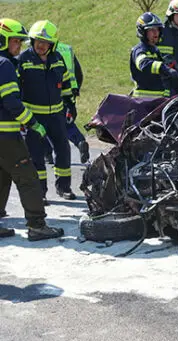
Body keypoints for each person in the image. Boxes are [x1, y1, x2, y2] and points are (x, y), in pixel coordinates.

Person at [0, 18, 64, 241]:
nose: (19, 46)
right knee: (28, 178)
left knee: (2, 176)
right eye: (15, 41)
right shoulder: (5, 65)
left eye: (20, 41)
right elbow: (11, 102)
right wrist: (33, 123)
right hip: (6, 135)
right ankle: (37, 225)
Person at [17, 20, 76, 201]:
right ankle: (40, 192)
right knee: (36, 155)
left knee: (63, 149)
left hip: (56, 115)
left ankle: (64, 188)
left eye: (45, 42)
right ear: (32, 41)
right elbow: (16, 89)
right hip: (34, 117)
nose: (41, 45)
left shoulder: (57, 59)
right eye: (38, 41)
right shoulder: (23, 60)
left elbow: (66, 84)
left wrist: (70, 104)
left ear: (52, 44)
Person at [130, 12, 178, 98]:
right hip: (143, 102)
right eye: (151, 30)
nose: (156, 33)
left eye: (157, 29)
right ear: (143, 32)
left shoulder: (155, 50)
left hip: (158, 101)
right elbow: (143, 64)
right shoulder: (139, 50)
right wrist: (164, 68)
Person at [55, 41, 89, 163]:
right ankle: (79, 141)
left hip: (51, 94)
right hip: (69, 92)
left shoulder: (40, 51)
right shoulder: (66, 49)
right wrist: (75, 89)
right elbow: (78, 72)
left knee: (48, 123)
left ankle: (48, 154)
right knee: (67, 121)